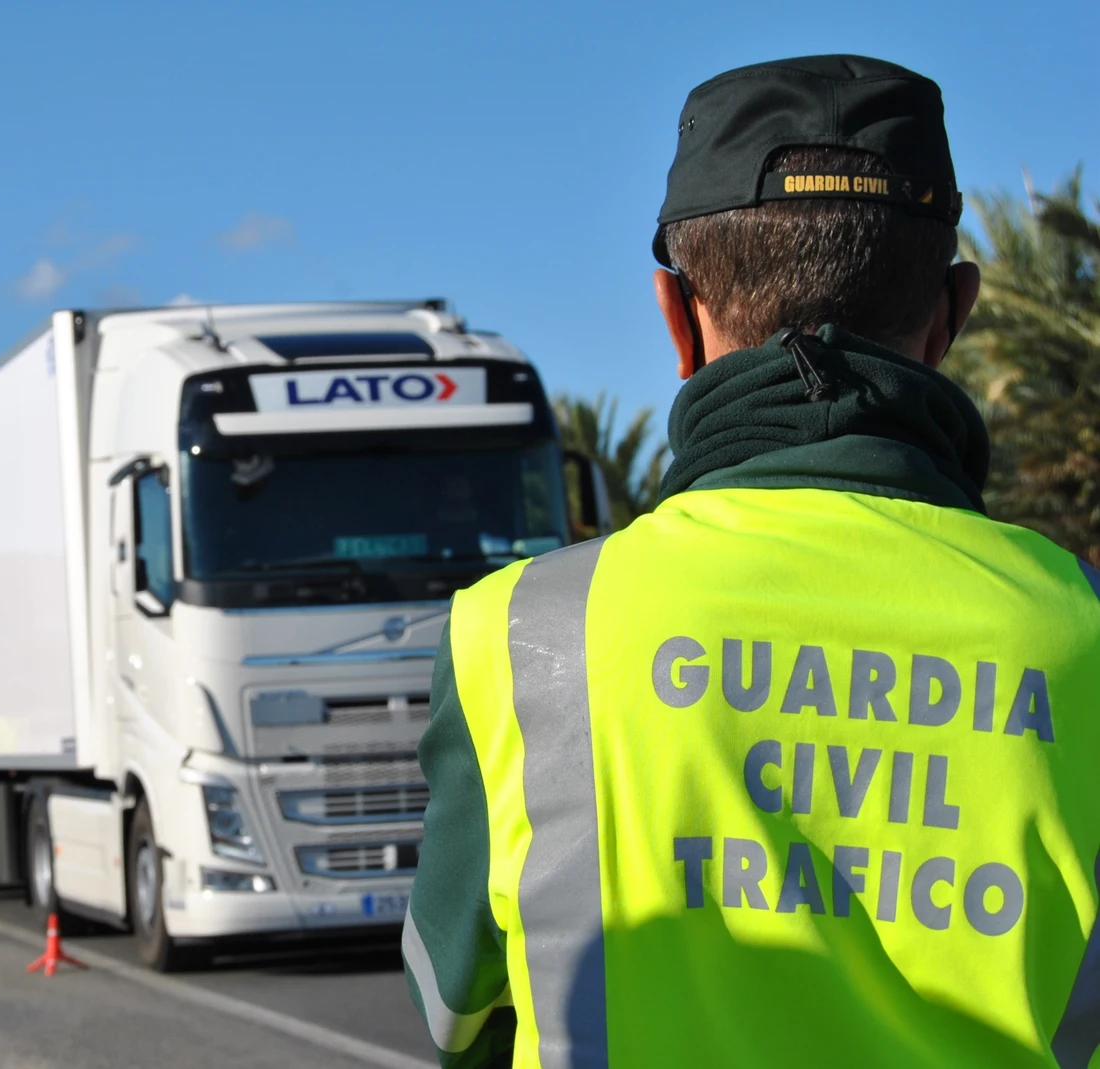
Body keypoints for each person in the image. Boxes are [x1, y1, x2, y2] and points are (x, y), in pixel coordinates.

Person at [404, 55, 1100, 1067]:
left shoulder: (519, 634)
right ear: (952, 314)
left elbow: (448, 1011)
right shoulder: (1080, 626)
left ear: (676, 316)